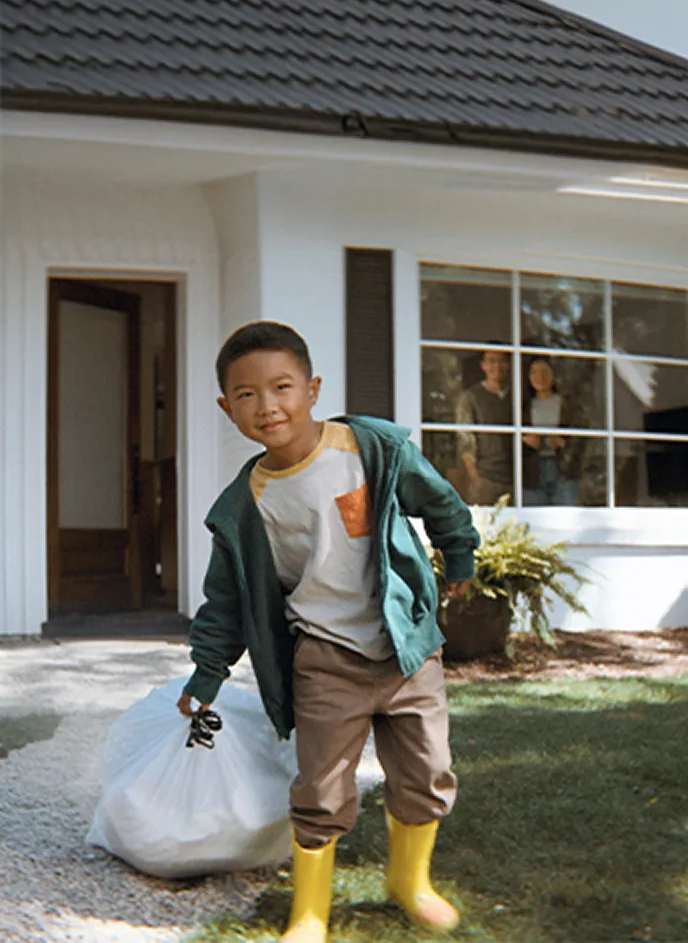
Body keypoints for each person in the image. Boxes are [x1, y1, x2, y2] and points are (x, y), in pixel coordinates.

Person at [178, 321, 479, 941]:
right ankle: (310, 911)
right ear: (225, 407)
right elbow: (225, 602)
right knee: (319, 788)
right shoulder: (242, 507)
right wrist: (206, 673)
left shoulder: (370, 450)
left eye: (282, 386)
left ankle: (410, 882)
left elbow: (441, 500)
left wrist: (460, 556)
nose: (268, 406)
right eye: (246, 394)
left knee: (427, 771)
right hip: (324, 658)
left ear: (312, 389)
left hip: (406, 648)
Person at [456, 347, 513, 504]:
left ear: (508, 364)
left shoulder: (515, 396)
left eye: (501, 361)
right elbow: (465, 439)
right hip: (486, 479)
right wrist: (475, 476)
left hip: (515, 478)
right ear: (483, 366)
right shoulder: (471, 397)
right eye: (491, 361)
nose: (497, 366)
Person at [522, 358, 580, 506]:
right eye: (534, 372)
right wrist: (526, 442)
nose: (540, 377)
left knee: (566, 515)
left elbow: (581, 438)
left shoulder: (567, 405)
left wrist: (563, 443)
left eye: (545, 371)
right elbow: (511, 443)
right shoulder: (523, 407)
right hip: (533, 472)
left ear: (553, 375)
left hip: (562, 469)